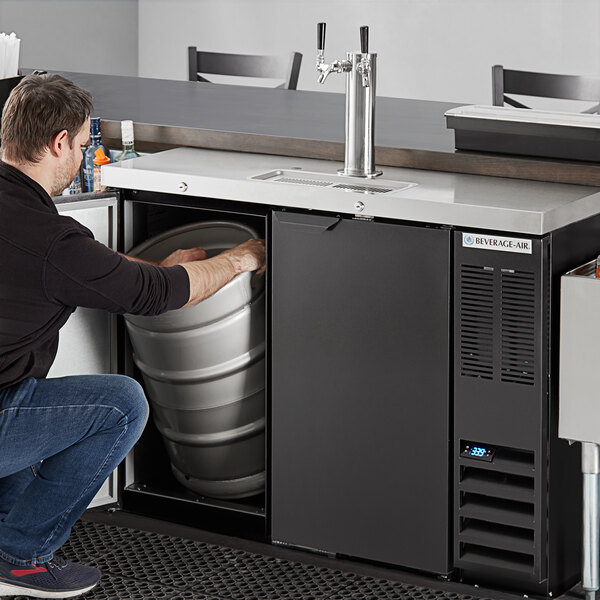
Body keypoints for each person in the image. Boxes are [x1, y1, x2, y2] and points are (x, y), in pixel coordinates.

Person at [0, 74, 265, 599]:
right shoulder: (50, 237)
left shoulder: (32, 226)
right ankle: (20, 560)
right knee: (121, 404)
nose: (80, 155)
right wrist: (241, 258)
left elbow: (85, 267)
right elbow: (161, 295)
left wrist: (146, 268)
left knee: (29, 414)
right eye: (80, 145)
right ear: (57, 144)